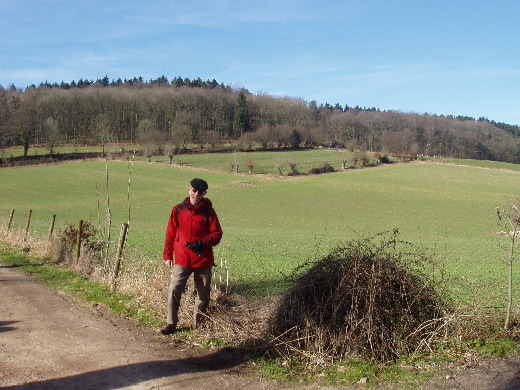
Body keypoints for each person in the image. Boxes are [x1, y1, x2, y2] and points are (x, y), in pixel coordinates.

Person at [159, 178, 223, 335]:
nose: (196, 194)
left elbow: (217, 234)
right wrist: (168, 255)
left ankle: (198, 325)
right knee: (174, 290)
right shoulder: (178, 210)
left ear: (204, 194)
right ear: (189, 189)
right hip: (182, 259)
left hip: (203, 259)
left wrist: (202, 242)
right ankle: (171, 323)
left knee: (203, 294)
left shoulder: (209, 211)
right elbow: (170, 234)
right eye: (194, 190)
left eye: (200, 192)